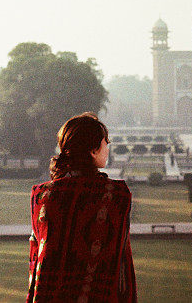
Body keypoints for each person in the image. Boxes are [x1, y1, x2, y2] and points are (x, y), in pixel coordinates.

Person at [28, 113, 136, 302]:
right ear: (93, 150)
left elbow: (36, 262)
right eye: (105, 142)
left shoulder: (42, 196)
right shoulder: (115, 196)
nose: (107, 148)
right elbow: (121, 265)